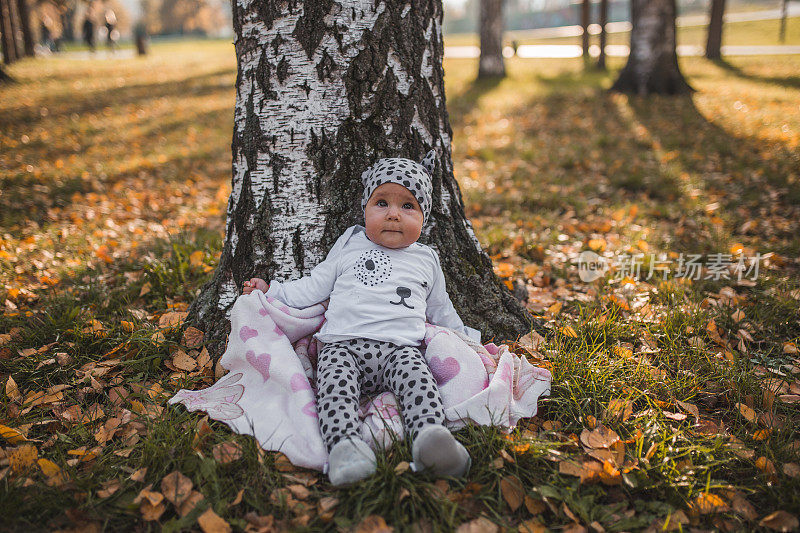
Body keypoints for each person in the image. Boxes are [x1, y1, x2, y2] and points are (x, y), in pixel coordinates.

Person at [243, 152, 479, 486]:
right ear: (365, 208)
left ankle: (431, 439)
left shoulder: (426, 259)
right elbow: (312, 287)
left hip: (400, 350)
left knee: (420, 385)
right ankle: (346, 448)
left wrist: (468, 339)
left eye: (408, 206)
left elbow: (441, 310)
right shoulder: (350, 244)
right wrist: (271, 291)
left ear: (424, 217)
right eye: (382, 202)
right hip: (342, 347)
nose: (394, 214)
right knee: (334, 393)